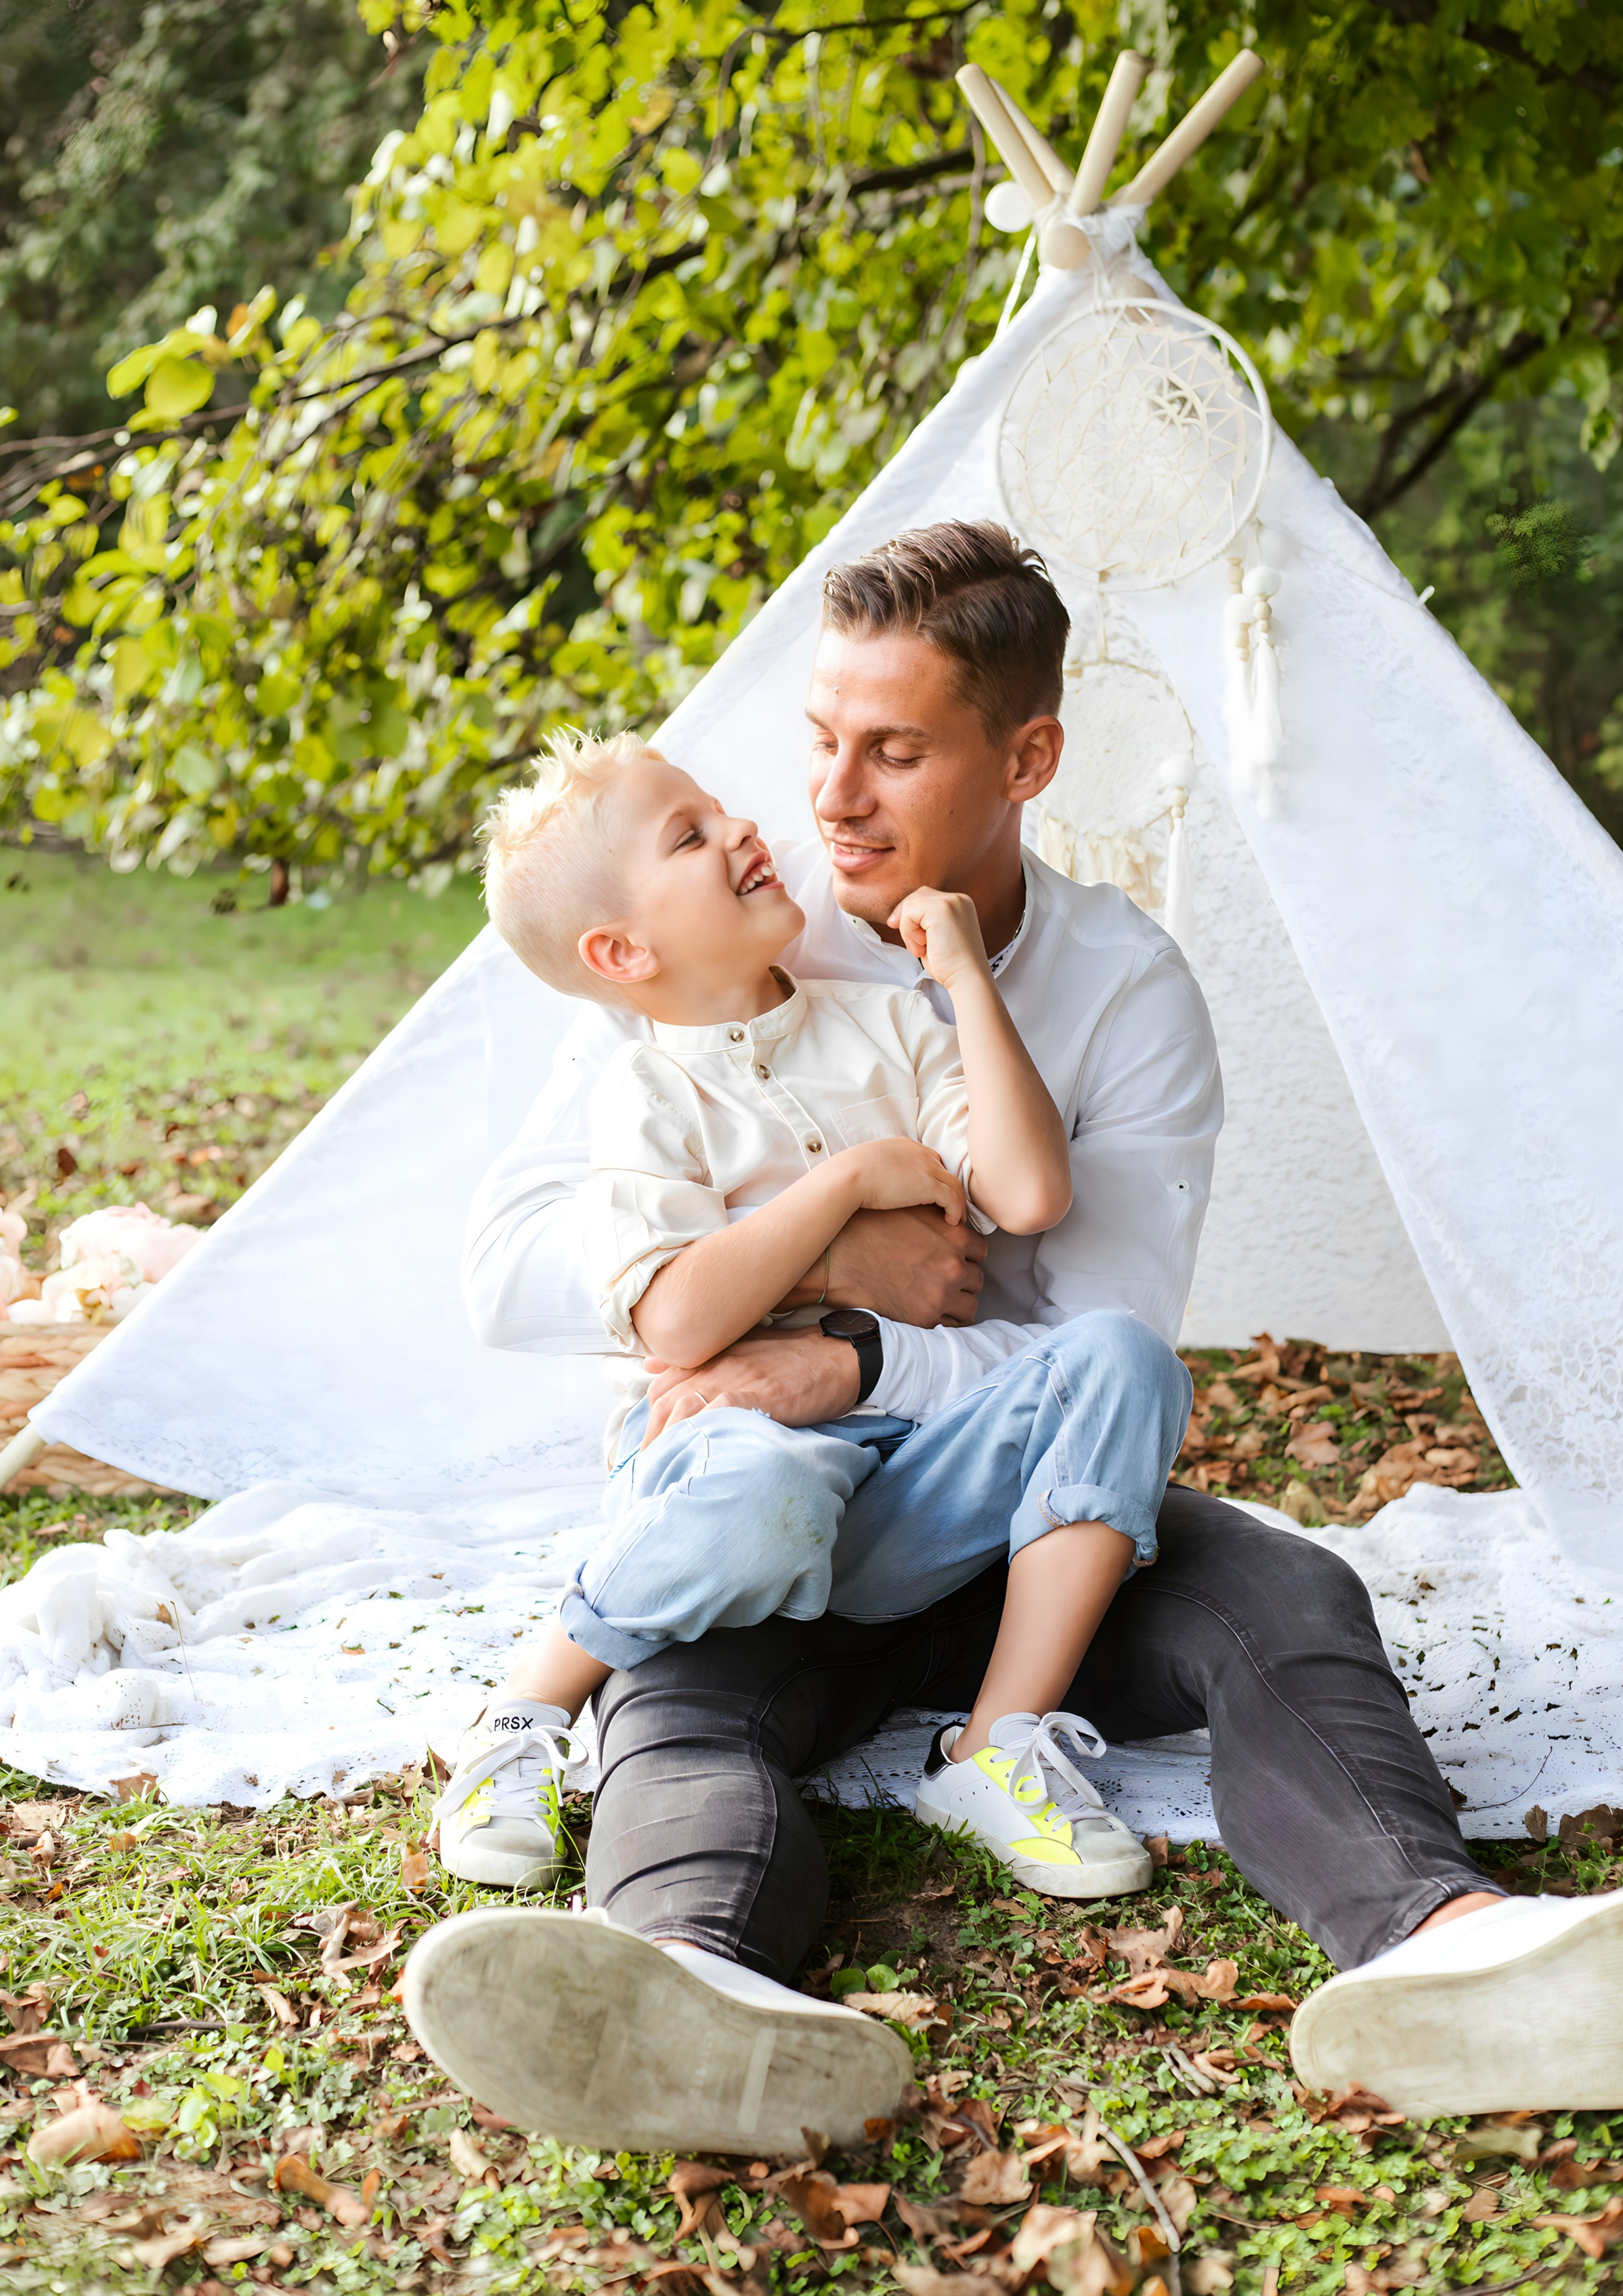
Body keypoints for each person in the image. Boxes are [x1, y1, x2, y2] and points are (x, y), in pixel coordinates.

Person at [402, 519, 1623, 2153]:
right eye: (819, 746)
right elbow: (510, 1266)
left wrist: (848, 1352)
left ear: (1026, 758)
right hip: (772, 1509)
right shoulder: (739, 939)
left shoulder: (1123, 994)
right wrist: (837, 1249)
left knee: (1284, 1591)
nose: (831, 801)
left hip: (1015, 1524)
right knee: (686, 1683)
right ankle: (677, 1986)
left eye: (894, 752)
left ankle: (1442, 1942)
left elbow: (1099, 1343)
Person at [437, 724, 1163, 1902]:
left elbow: (1028, 1192)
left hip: (903, 1488)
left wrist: (967, 979)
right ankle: (522, 1715)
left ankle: (995, 1748)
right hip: (725, 1482)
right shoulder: (645, 1090)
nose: (742, 827)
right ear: (621, 949)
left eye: (722, 807)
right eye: (690, 834)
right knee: (768, 1487)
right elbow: (675, 1322)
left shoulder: (892, 1027)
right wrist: (847, 1183)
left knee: (1123, 1358)